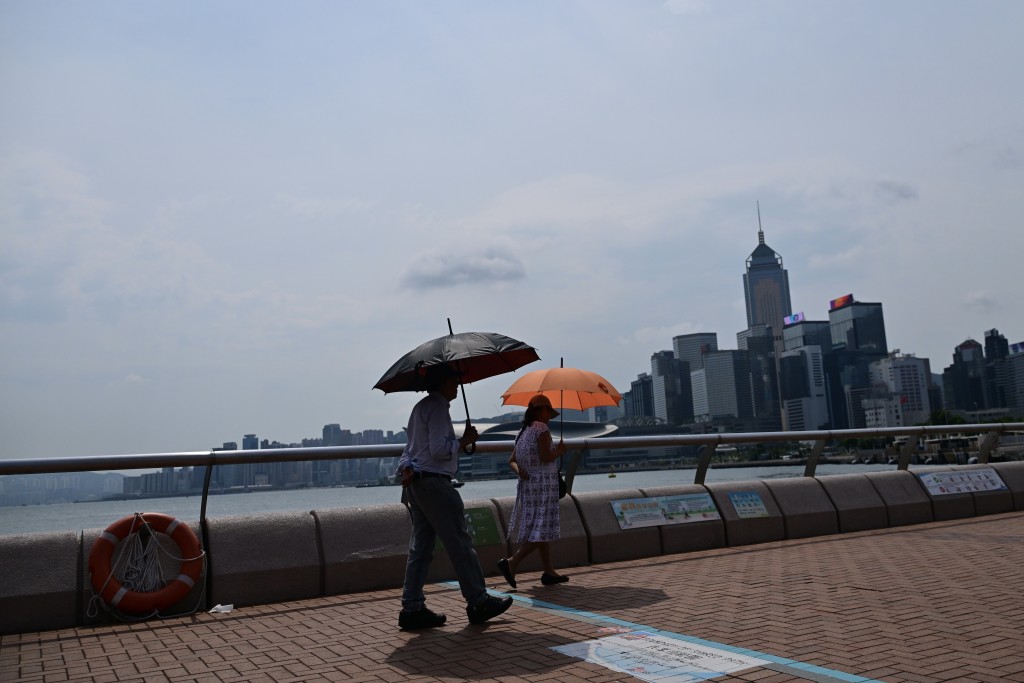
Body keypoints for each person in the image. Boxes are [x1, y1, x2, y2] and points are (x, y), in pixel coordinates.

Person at [396, 363, 513, 630]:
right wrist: (464, 440)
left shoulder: (420, 408)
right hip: (436, 484)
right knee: (460, 542)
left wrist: (406, 468)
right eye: (454, 381)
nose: (458, 386)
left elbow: (410, 449)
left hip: (417, 483)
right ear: (442, 383)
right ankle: (478, 601)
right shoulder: (438, 406)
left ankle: (411, 608)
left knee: (421, 548)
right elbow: (438, 450)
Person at [496, 393, 569, 589]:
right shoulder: (541, 428)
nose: (549, 416)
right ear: (540, 411)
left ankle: (549, 571)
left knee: (539, 527)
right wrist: (560, 451)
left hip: (528, 486)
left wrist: (522, 472)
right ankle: (512, 562)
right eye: (547, 411)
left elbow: (511, 460)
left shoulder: (523, 431)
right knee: (541, 529)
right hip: (544, 484)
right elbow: (546, 457)